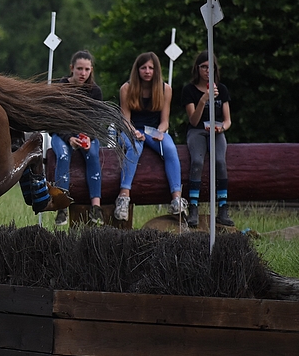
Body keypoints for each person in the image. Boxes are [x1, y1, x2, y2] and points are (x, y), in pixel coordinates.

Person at [114, 52, 186, 221]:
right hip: (130, 129)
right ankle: (124, 196)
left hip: (153, 130)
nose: (147, 71)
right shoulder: (127, 88)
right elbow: (124, 119)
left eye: (151, 68)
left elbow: (165, 121)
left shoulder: (165, 89)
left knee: (169, 147)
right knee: (135, 147)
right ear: (137, 70)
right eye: (143, 67)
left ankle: (176, 198)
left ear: (156, 71)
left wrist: (160, 132)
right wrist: (134, 132)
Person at [51, 50, 105, 226]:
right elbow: (55, 120)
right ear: (72, 68)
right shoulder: (61, 88)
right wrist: (69, 138)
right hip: (62, 133)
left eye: (87, 69)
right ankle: (62, 206)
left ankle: (96, 207)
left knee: (93, 155)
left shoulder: (95, 92)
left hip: (85, 134)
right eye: (80, 69)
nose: (83, 73)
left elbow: (96, 120)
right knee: (63, 156)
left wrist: (87, 138)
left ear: (91, 70)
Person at [180, 51, 233, 227]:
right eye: (204, 67)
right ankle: (193, 207)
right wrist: (204, 99)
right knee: (197, 161)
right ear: (198, 68)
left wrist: (221, 128)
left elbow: (228, 120)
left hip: (216, 130)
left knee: (219, 161)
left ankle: (223, 207)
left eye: (211, 67)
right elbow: (193, 120)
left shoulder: (222, 89)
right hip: (197, 130)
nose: (207, 71)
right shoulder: (189, 90)